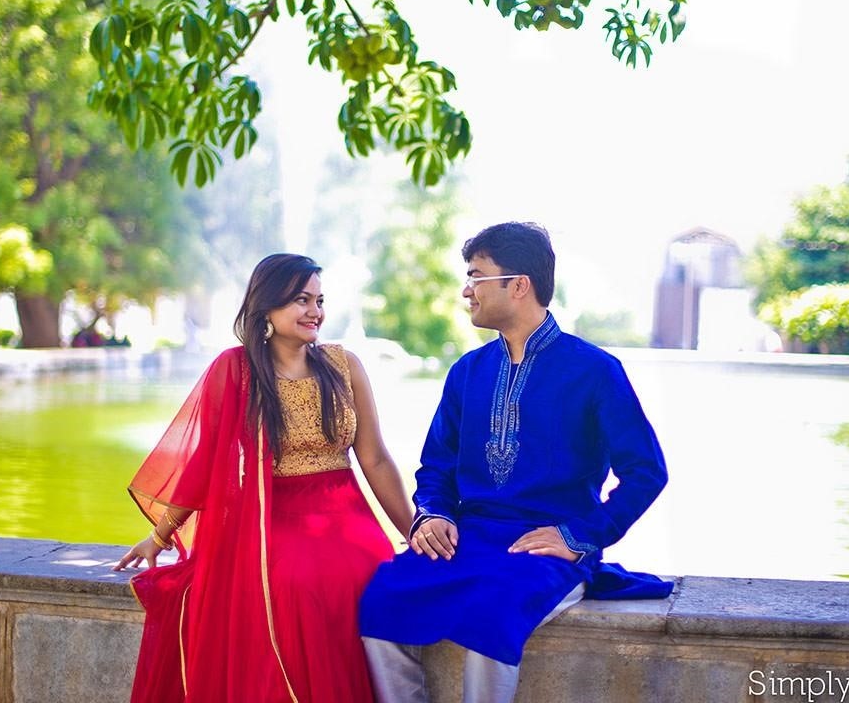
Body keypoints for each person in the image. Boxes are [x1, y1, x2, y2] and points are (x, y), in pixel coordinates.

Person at [359, 222, 671, 703]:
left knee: (492, 613)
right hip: (469, 537)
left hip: (544, 548)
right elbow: (436, 467)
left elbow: (647, 472)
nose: (466, 291)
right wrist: (434, 513)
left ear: (518, 284)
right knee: (381, 599)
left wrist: (580, 536)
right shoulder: (469, 372)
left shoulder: (594, 371)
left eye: (476, 276)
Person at [115, 253, 413, 703]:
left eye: (319, 300)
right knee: (296, 588)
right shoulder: (235, 371)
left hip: (348, 518)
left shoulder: (343, 364)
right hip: (276, 521)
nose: (315, 311)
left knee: (372, 579)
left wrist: (415, 530)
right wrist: (159, 537)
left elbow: (375, 459)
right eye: (301, 300)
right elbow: (202, 465)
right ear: (267, 307)